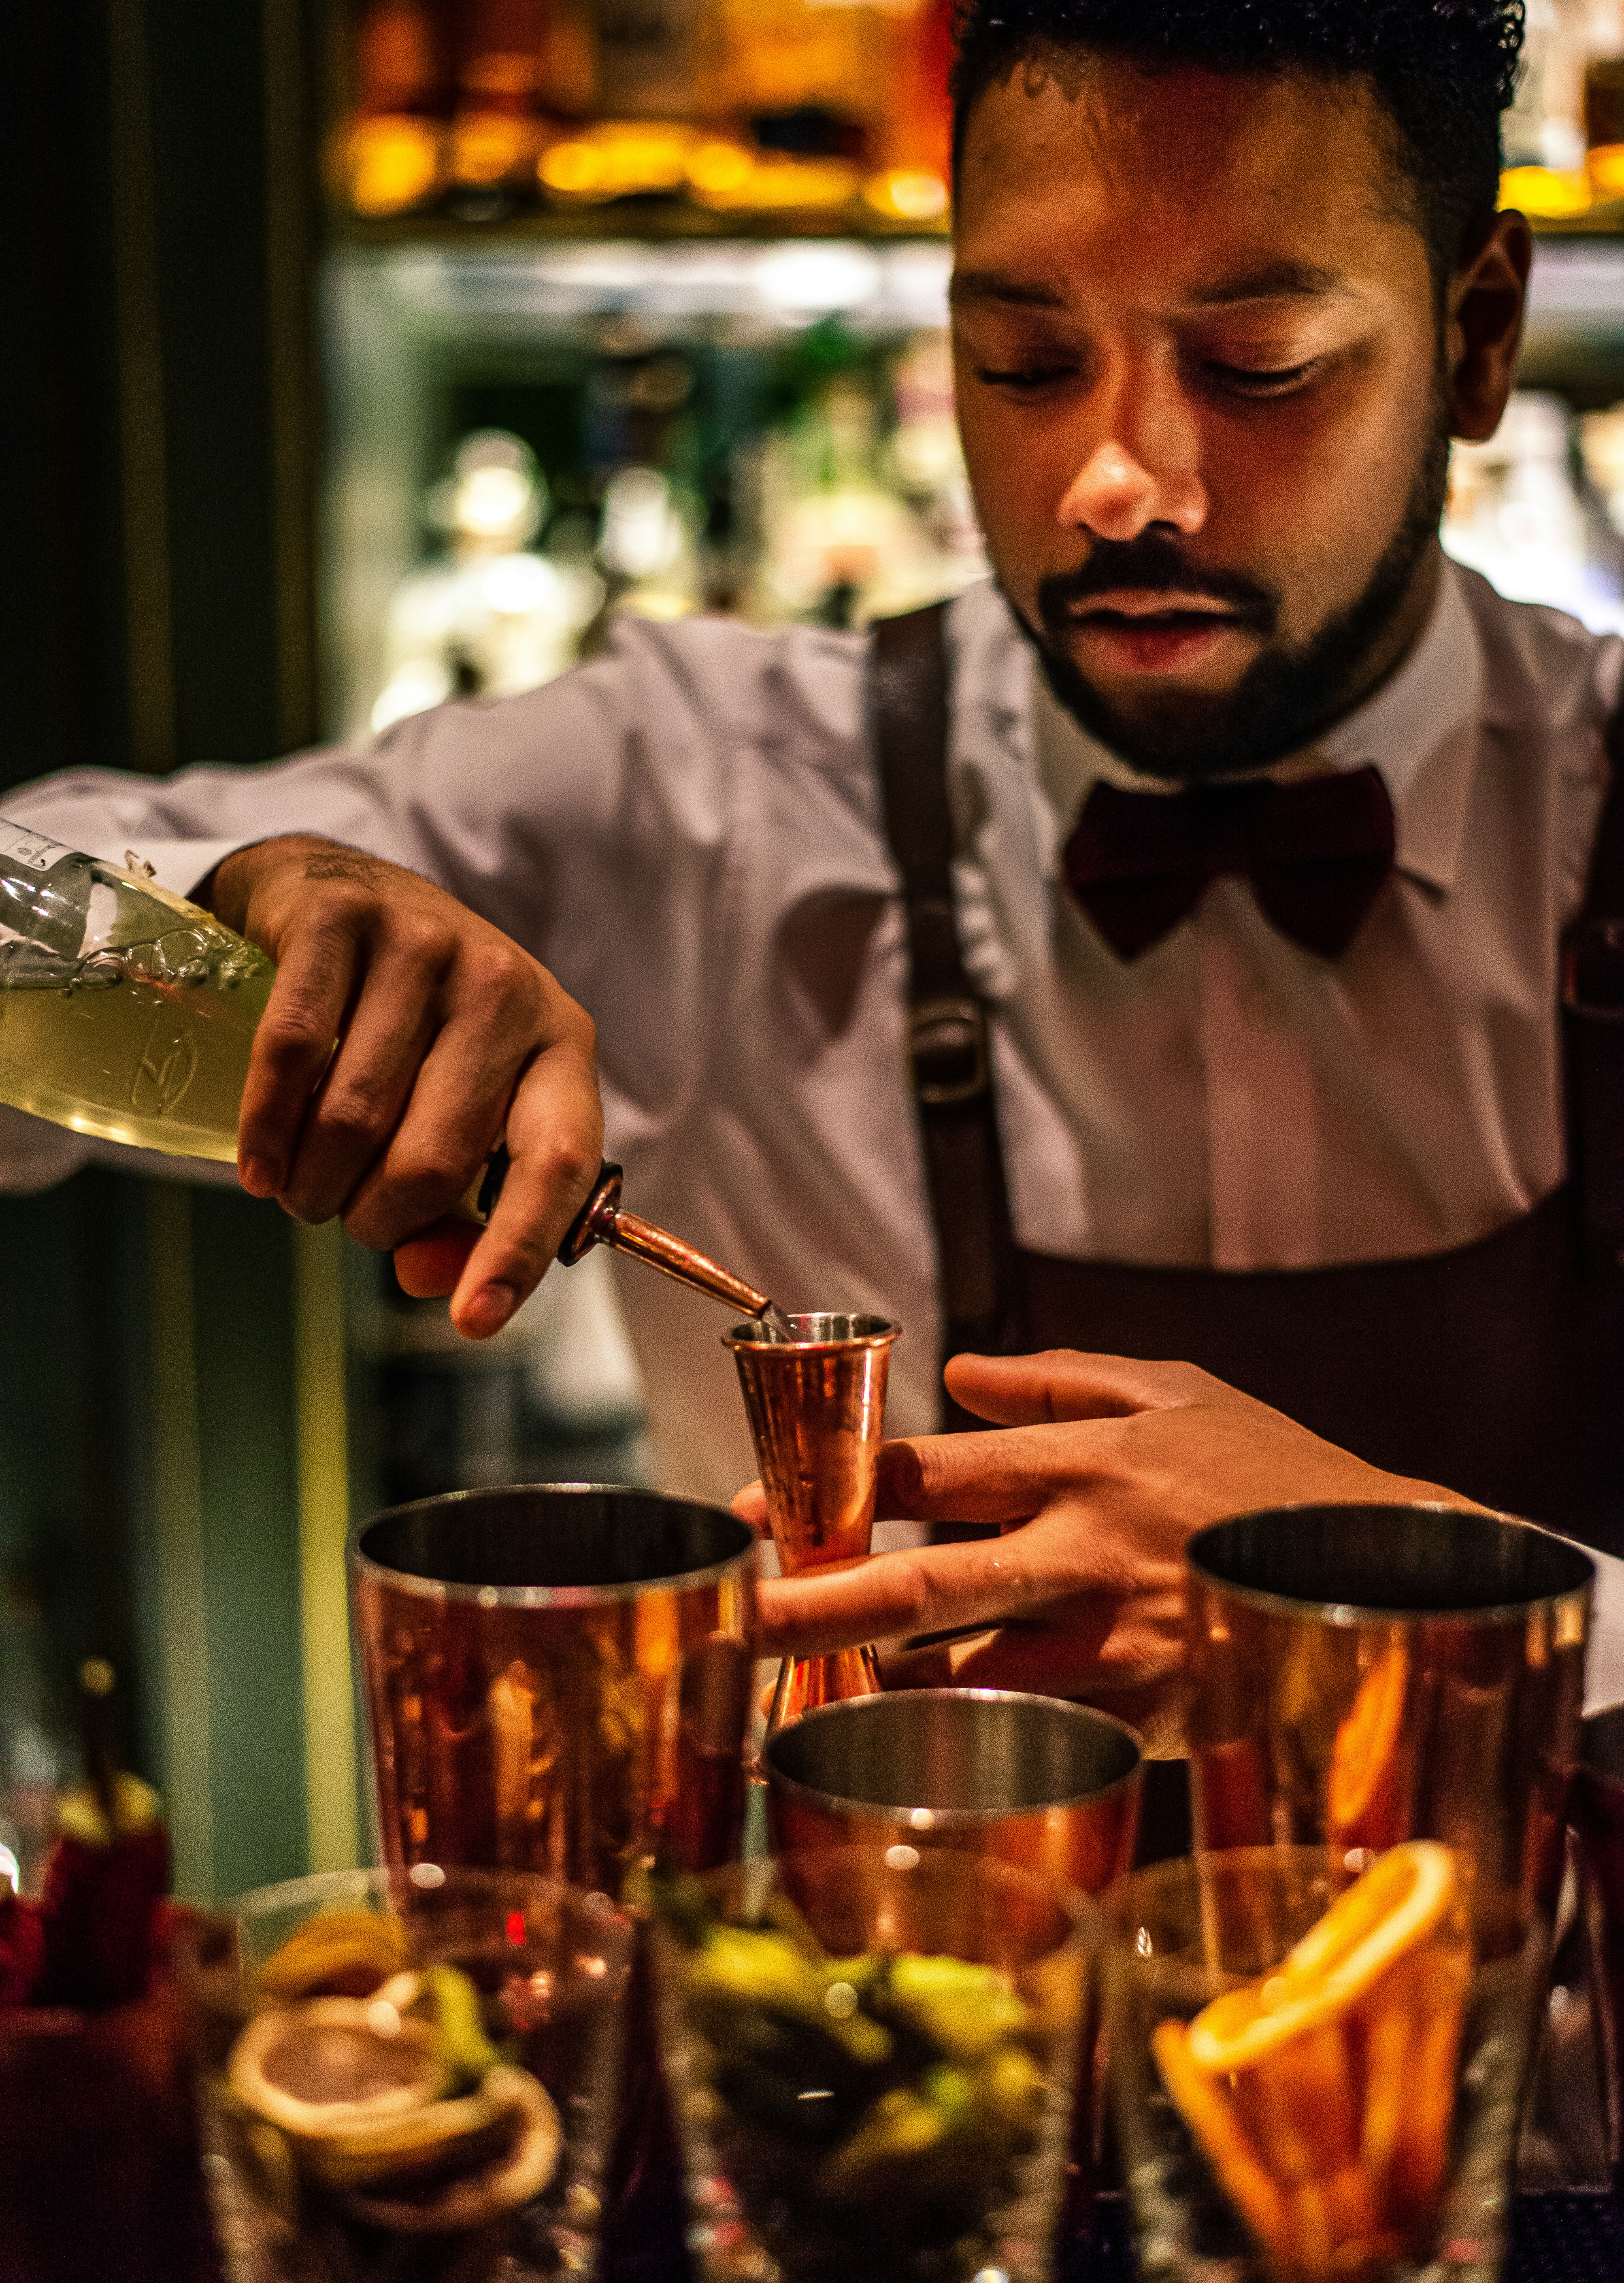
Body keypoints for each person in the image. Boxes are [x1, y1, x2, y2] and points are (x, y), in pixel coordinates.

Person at [3, 0, 1618, 1715]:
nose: (1118, 483)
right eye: (1024, 361)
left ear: (1477, 332)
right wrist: (241, 905)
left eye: (1257, 365)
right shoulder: (712, 785)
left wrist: (1418, 1599)